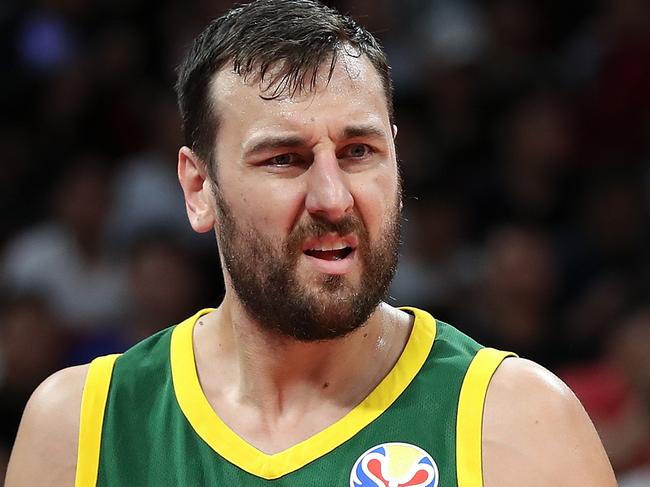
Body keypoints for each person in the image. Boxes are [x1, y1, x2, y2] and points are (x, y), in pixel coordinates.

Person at [5, 1, 617, 486]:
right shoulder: (81, 425)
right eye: (285, 158)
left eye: (358, 152)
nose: (333, 196)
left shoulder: (516, 423)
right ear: (199, 188)